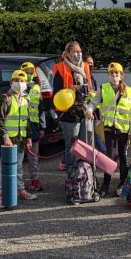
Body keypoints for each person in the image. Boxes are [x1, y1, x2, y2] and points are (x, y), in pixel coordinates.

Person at [86, 62, 131, 197]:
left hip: (124, 130)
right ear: (108, 75)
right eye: (111, 73)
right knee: (109, 158)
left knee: (123, 157)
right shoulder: (103, 88)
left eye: (116, 73)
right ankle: (105, 185)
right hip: (109, 129)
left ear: (121, 75)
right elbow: (93, 103)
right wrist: (89, 110)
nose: (114, 75)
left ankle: (122, 184)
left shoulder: (128, 90)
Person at [0, 70, 38, 209]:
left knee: (18, 166)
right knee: (4, 168)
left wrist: (29, 137)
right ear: (11, 82)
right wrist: (5, 136)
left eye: (22, 81)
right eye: (16, 80)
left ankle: (19, 190)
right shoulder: (5, 98)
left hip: (20, 138)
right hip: (8, 140)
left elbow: (27, 120)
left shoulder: (26, 99)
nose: (20, 83)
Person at [52, 41, 94, 170]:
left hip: (84, 111)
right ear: (68, 54)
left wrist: (91, 107)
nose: (78, 54)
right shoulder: (60, 68)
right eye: (75, 52)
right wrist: (70, 88)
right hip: (68, 114)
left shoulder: (85, 67)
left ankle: (84, 173)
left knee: (85, 144)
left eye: (80, 51)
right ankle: (71, 174)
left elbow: (90, 89)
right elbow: (56, 93)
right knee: (71, 145)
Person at [21, 61, 45, 192]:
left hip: (34, 127)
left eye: (31, 71)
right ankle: (17, 182)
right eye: (26, 72)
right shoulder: (18, 87)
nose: (29, 74)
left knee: (33, 156)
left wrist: (42, 127)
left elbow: (41, 109)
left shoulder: (36, 88)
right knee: (18, 157)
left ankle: (34, 180)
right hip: (19, 127)